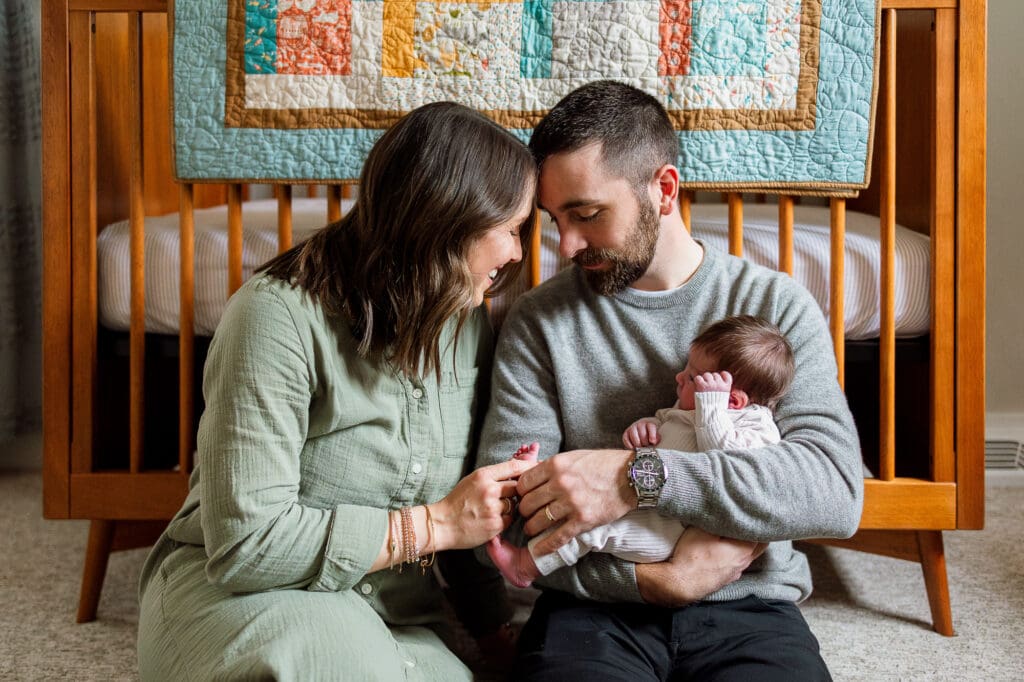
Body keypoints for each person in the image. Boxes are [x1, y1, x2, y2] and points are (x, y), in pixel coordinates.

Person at [136, 102, 542, 680]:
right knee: (338, 662)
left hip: (394, 613)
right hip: (246, 592)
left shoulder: (460, 315)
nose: (518, 252)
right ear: (447, 221)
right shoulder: (273, 317)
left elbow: (467, 506)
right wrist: (437, 526)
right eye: (509, 229)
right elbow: (246, 546)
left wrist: (494, 633)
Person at [475, 80, 864, 680]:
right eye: (555, 220)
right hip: (591, 611)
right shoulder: (539, 320)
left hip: (749, 601)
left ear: (663, 189)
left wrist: (637, 478)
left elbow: (833, 490)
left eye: (587, 215)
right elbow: (508, 513)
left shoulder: (773, 304)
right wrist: (659, 581)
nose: (567, 244)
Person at [486, 315, 795, 588]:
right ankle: (532, 476)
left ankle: (526, 567)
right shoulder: (687, 408)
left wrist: (711, 408)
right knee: (577, 486)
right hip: (638, 502)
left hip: (671, 532)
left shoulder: (755, 426)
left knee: (590, 526)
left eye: (690, 377)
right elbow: (666, 428)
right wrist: (644, 427)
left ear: (733, 401)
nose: (679, 377)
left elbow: (728, 467)